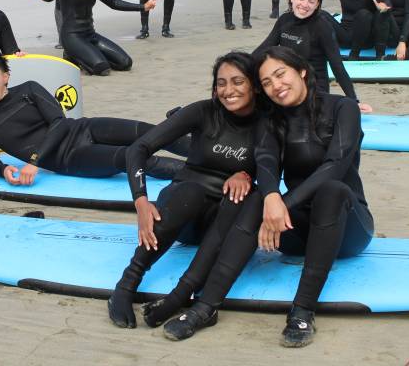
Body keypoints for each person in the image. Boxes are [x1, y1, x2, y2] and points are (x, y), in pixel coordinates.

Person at [158, 47, 373, 348]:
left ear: (301, 72)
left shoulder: (343, 108)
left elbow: (335, 166)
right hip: (298, 229)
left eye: (280, 74)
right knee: (257, 196)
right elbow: (266, 161)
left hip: (348, 228)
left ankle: (302, 311)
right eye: (267, 82)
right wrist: (271, 194)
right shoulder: (274, 120)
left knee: (331, 191)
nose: (276, 85)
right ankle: (205, 307)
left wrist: (282, 203)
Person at [108, 51, 263, 329]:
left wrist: (247, 174)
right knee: (190, 192)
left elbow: (273, 167)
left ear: (253, 83)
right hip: (182, 212)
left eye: (238, 81)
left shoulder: (267, 122)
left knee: (244, 197)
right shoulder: (203, 111)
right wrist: (141, 202)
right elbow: (138, 149)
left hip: (222, 226)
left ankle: (183, 293)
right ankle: (126, 284)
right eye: (221, 83)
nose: (228, 91)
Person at [0, 51, 184, 186]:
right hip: (71, 158)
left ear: (5, 77)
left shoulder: (29, 89)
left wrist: (35, 162)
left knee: (152, 132)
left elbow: (59, 122)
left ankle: (210, 156)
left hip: (84, 128)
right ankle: (202, 174)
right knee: (133, 156)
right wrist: (3, 170)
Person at [254, 0, 371, 112]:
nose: (305, 5)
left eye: (311, 1)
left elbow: (337, 65)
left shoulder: (321, 26)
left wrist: (353, 100)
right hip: (288, 84)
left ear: (317, 5)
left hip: (313, 90)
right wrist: (239, 66)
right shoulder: (284, 20)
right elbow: (263, 49)